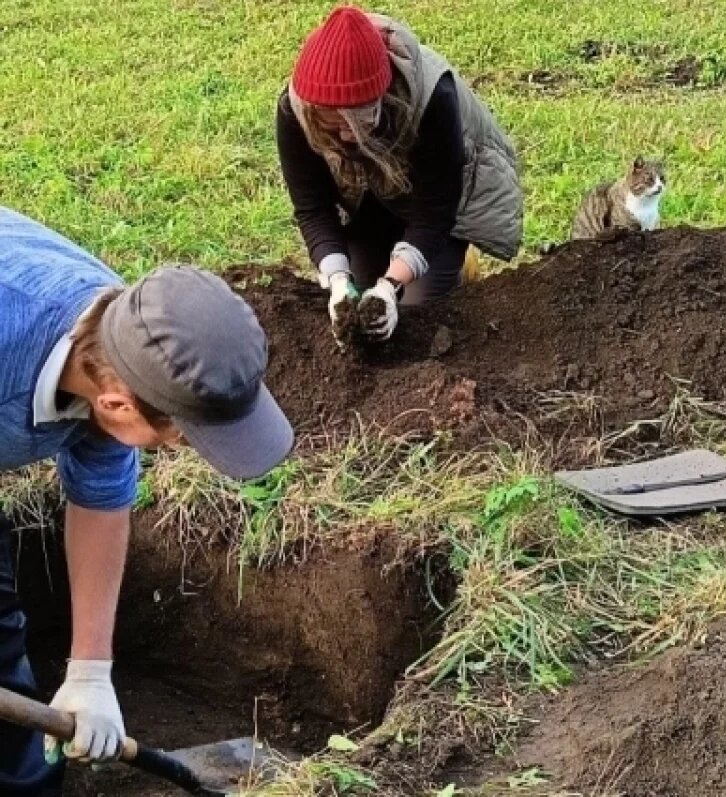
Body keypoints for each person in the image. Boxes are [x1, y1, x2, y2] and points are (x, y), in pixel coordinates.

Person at [0, 206, 294, 794]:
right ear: (117, 406)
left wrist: (89, 671)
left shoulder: (126, 343)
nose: (182, 450)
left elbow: (102, 496)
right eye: (181, 436)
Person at [276, 6, 524, 344]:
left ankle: (460, 263)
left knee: (414, 314)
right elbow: (312, 207)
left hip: (433, 202)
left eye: (361, 121)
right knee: (361, 303)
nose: (348, 137)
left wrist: (391, 286)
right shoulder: (296, 110)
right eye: (335, 126)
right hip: (366, 197)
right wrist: (337, 280)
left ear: (384, 93)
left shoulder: (433, 96)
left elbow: (436, 211)